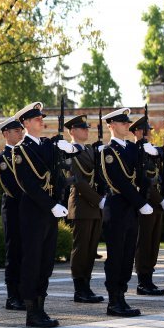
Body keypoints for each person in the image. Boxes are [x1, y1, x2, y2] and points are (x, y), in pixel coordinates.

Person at [11, 102, 75, 328]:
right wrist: (51, 204)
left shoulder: (49, 145)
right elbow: (27, 184)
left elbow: (59, 172)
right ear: (25, 123)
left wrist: (67, 147)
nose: (41, 121)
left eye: (41, 118)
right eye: (36, 118)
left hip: (50, 212)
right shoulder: (20, 150)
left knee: (46, 262)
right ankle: (31, 312)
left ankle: (41, 308)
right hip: (33, 212)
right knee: (32, 261)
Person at [99, 108, 158, 317]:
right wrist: (140, 201)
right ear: (111, 125)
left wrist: (149, 158)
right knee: (115, 256)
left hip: (131, 210)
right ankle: (113, 300)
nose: (127, 126)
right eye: (122, 123)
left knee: (127, 256)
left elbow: (141, 175)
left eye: (127, 123)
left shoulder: (133, 149)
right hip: (116, 208)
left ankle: (122, 296)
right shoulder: (108, 151)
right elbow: (120, 181)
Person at [64, 114, 105, 304]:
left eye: (87, 128)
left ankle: (86, 285)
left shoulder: (90, 150)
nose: (86, 131)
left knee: (91, 249)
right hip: (81, 205)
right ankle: (79, 288)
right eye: (82, 128)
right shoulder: (68, 151)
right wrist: (98, 200)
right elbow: (78, 181)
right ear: (72, 131)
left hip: (94, 206)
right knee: (81, 249)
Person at [129, 115, 164, 296]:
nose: (148, 133)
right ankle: (143, 281)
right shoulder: (135, 152)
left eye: (149, 130)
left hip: (156, 205)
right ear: (136, 132)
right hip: (144, 203)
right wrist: (160, 199)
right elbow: (143, 181)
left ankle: (149, 278)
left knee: (154, 243)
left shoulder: (152, 151)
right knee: (144, 243)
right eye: (145, 130)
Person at [0, 116, 26, 311]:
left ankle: (24, 292)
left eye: (21, 130)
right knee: (14, 252)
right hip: (14, 208)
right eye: (16, 131)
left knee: (26, 252)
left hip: (27, 209)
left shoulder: (25, 155)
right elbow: (12, 186)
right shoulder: (3, 158)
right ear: (6, 134)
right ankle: (12, 295)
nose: (21, 133)